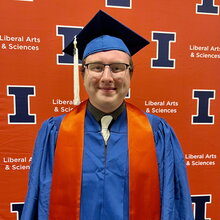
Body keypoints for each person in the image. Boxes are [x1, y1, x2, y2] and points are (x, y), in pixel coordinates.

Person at [21, 10, 194, 220]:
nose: (107, 77)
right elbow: (38, 203)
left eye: (117, 68)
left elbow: (173, 204)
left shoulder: (157, 133)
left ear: (130, 74)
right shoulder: (55, 133)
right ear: (82, 74)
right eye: (96, 67)